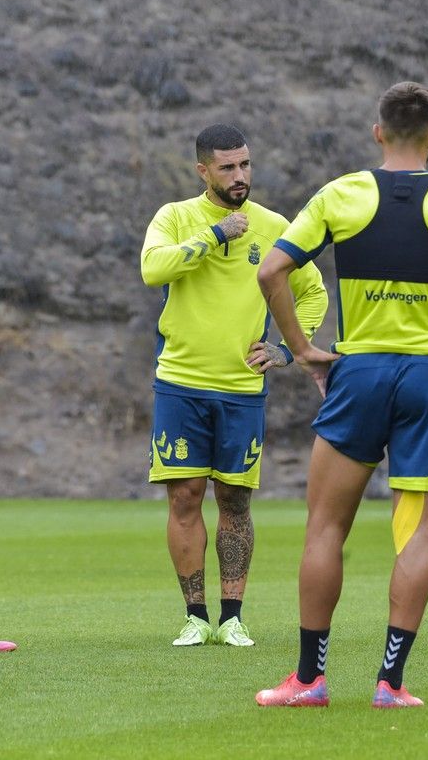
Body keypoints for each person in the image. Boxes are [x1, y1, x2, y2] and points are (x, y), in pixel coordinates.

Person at [254, 82, 428, 708]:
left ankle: (308, 680)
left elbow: (271, 270)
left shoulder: (342, 194)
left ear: (378, 132)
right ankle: (390, 682)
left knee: (325, 528)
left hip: (357, 372)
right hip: (425, 376)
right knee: (416, 533)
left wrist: (302, 348)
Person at [141, 124, 328, 648]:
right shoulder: (176, 217)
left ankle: (232, 616)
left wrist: (288, 348)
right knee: (184, 496)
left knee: (235, 501)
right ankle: (195, 616)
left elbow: (313, 293)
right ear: (203, 171)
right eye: (227, 167)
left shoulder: (273, 226)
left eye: (245, 164)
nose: (240, 176)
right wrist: (212, 237)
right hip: (179, 382)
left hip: (241, 389)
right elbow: (151, 269)